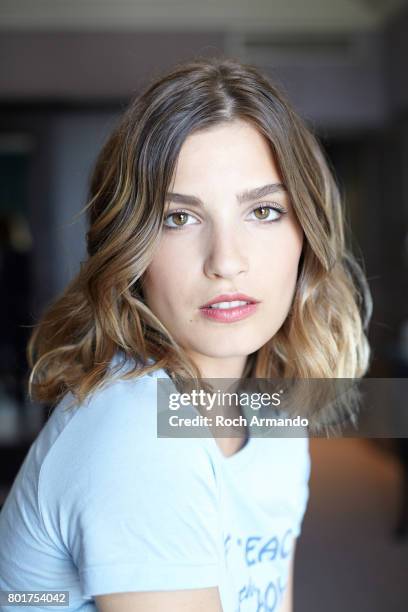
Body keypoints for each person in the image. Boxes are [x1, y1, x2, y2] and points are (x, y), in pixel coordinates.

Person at [0, 57, 372, 612]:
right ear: (132, 250)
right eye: (179, 218)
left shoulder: (272, 418)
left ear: (307, 236)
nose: (226, 261)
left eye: (264, 211)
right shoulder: (135, 433)